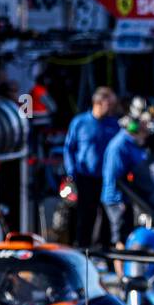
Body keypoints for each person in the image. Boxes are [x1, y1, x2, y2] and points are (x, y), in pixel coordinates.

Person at [62, 86, 118, 247]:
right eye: (109, 104)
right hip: (84, 178)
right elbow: (69, 148)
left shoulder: (113, 125)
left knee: (108, 217)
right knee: (85, 216)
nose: (111, 108)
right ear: (99, 103)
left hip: (107, 179)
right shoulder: (80, 122)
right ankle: (82, 249)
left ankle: (106, 250)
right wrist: (71, 172)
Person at [99, 114, 150, 249]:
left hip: (126, 198)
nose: (145, 136)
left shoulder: (132, 144)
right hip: (117, 200)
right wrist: (119, 200)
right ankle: (120, 270)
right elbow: (114, 176)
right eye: (144, 132)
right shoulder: (119, 146)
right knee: (120, 237)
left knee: (127, 235)